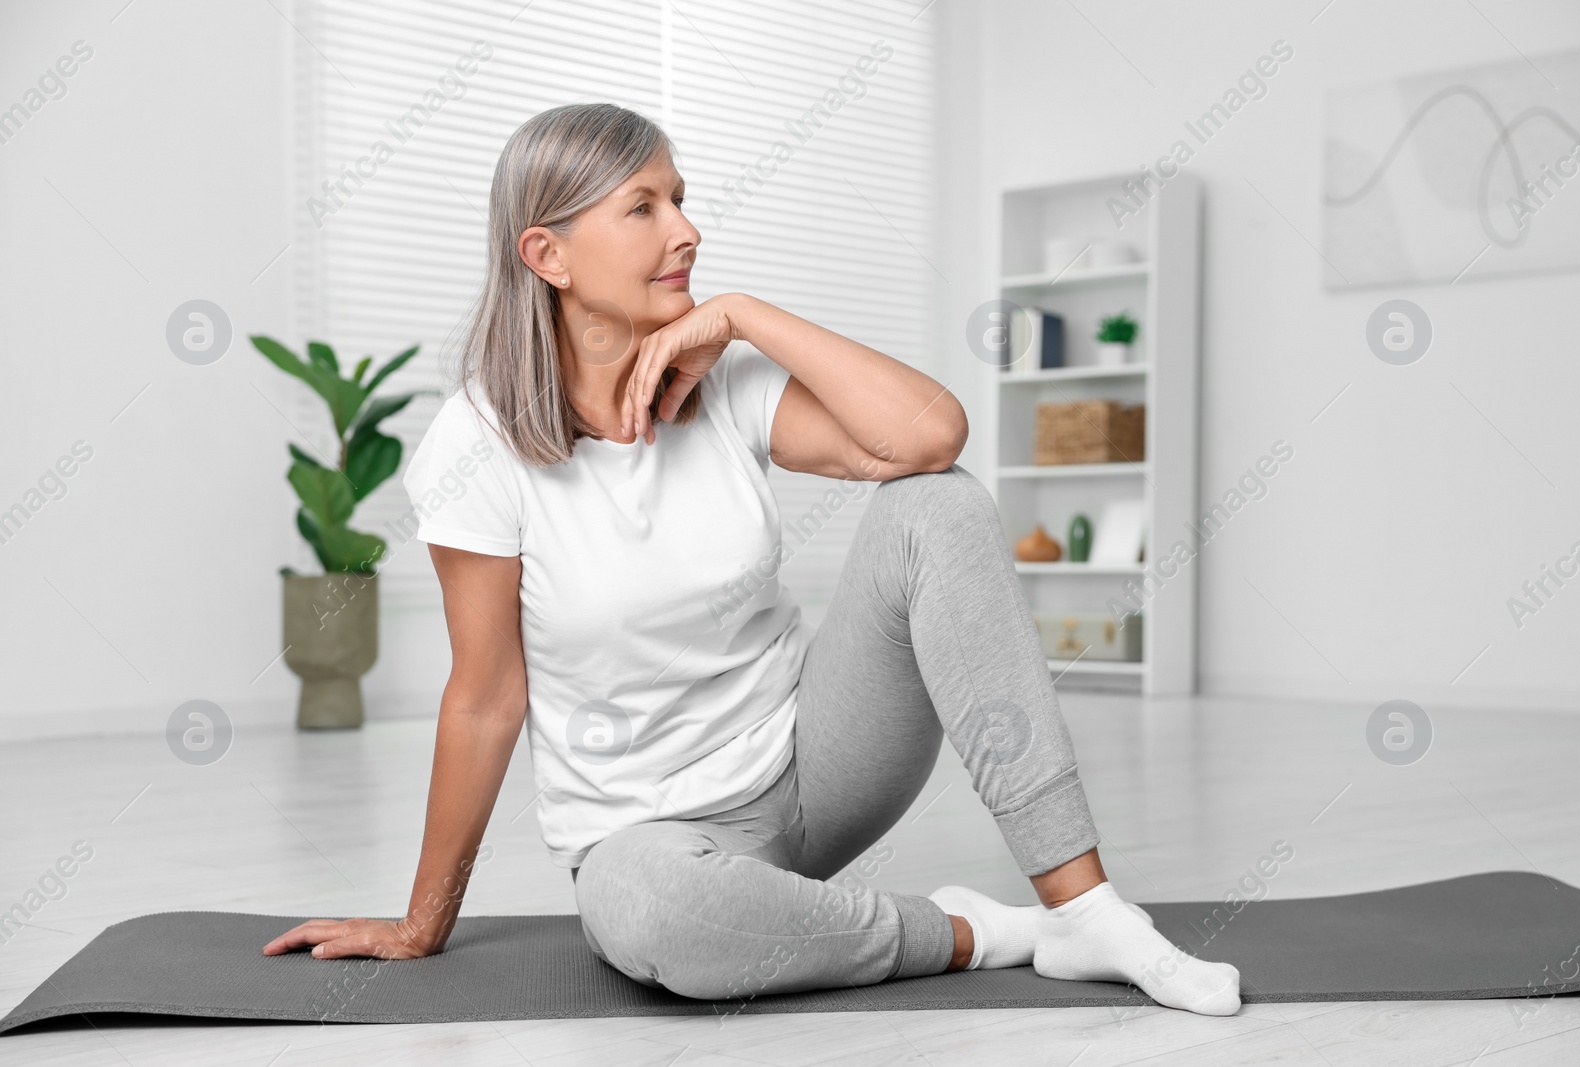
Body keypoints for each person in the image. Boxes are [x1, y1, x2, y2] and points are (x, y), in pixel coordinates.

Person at [262, 102, 1241, 1017]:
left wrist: (742, 316)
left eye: (681, 199)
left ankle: (1084, 906)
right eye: (642, 206)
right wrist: (424, 918)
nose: (684, 230)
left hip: (817, 767)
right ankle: (985, 930)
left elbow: (932, 437)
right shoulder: (475, 447)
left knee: (936, 504)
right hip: (646, 839)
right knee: (657, 917)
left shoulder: (720, 379)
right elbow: (484, 696)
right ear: (546, 253)